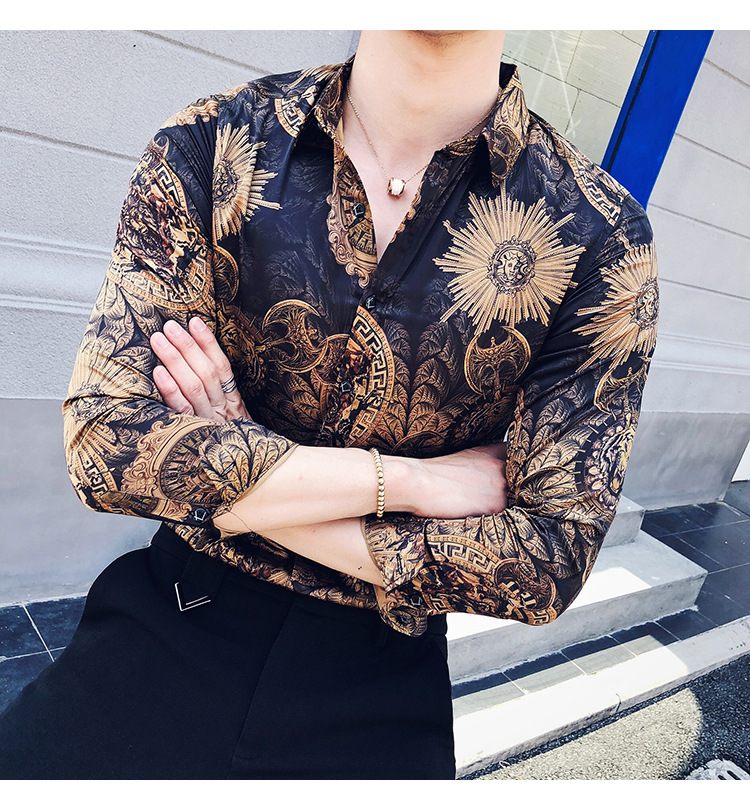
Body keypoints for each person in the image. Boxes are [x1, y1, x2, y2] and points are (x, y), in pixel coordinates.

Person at [0, 29, 657, 779]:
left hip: (381, 672)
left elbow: (545, 562)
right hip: (173, 611)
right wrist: (410, 481)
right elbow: (107, 447)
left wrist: (232, 469)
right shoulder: (215, 140)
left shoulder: (598, 234)